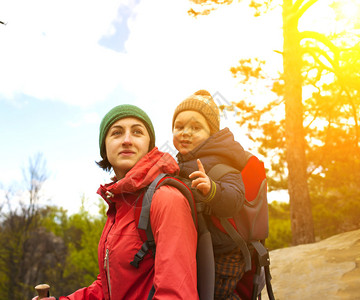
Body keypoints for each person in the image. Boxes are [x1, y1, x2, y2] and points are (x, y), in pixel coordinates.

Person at [33, 104, 199, 300]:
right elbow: (108, 286)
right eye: (117, 133)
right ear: (105, 147)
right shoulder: (120, 204)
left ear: (149, 146)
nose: (127, 140)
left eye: (137, 132)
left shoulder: (165, 199)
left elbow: (176, 294)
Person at [172, 90, 250, 300]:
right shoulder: (178, 164)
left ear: (211, 133)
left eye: (196, 127)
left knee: (217, 295)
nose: (185, 132)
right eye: (179, 127)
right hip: (197, 248)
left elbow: (234, 199)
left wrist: (212, 189)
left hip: (224, 250)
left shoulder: (222, 163)